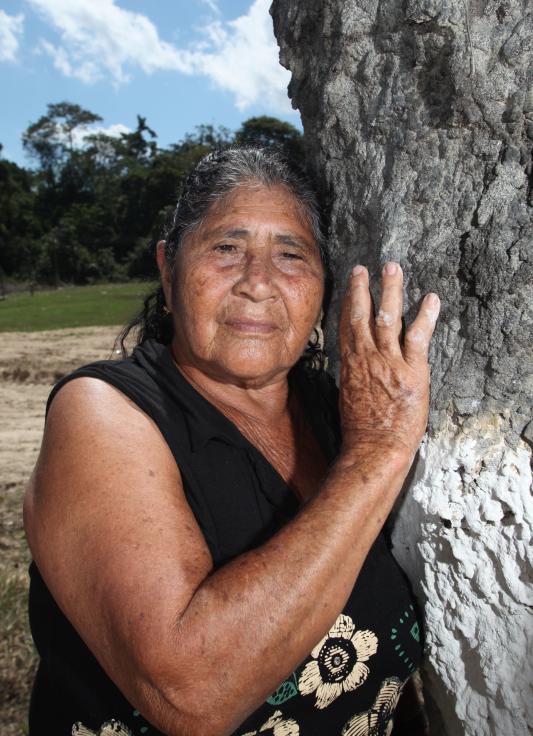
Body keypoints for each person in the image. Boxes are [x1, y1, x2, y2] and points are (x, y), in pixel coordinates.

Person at [24, 147, 440, 736]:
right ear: (168, 269)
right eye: (226, 248)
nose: (258, 283)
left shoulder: (337, 409)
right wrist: (378, 453)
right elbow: (190, 695)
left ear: (324, 283)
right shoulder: (102, 412)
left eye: (290, 255)